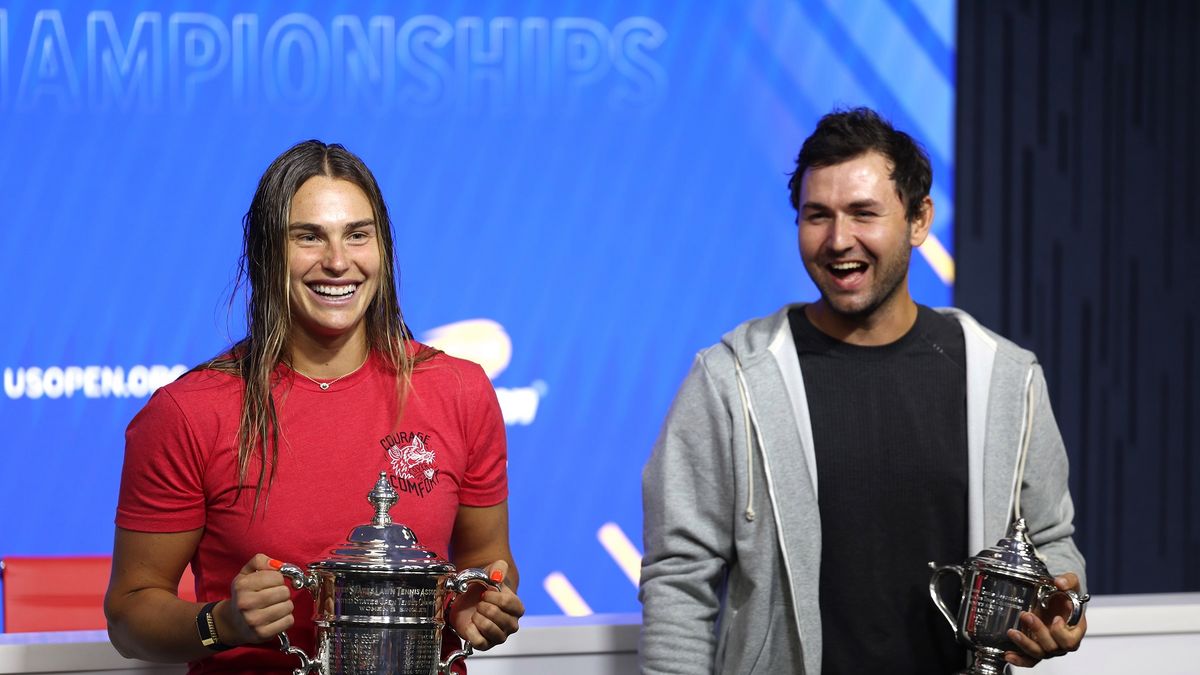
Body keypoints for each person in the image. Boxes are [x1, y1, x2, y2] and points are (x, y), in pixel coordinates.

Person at [639, 108, 1087, 674]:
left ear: (919, 220)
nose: (837, 239)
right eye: (816, 215)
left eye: (863, 213)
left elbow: (1049, 540)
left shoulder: (1005, 376)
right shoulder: (733, 378)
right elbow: (680, 578)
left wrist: (1058, 608)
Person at [104, 140, 524, 674]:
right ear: (267, 252)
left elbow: (491, 565)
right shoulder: (189, 412)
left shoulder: (458, 390)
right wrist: (222, 623)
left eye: (357, 234)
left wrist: (480, 605)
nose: (337, 261)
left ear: (383, 250)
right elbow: (128, 614)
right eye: (308, 237)